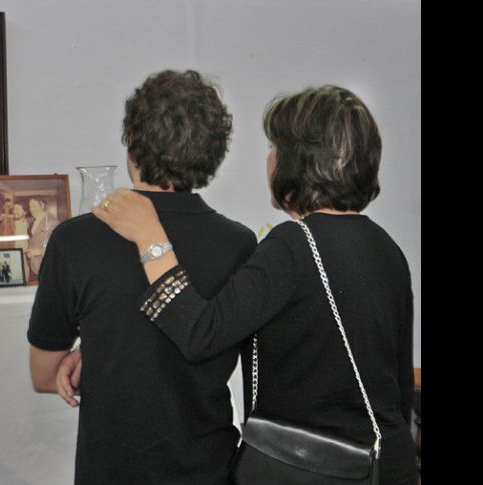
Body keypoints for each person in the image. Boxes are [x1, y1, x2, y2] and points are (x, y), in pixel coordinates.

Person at [83, 85, 418, 485]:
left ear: (298, 161)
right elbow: (395, 381)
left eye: (276, 147)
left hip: (309, 469)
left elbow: (200, 333)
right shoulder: (385, 247)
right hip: (386, 462)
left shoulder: (292, 246)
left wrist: (150, 238)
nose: (270, 159)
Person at [27, 70, 257, 484]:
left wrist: (97, 352)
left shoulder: (73, 242)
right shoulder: (240, 245)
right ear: (213, 153)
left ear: (132, 142)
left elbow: (45, 376)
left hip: (111, 470)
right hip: (209, 468)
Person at [24, 197, 61, 281]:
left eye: (34, 206)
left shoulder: (52, 222)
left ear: (42, 205)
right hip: (33, 265)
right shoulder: (33, 221)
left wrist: (39, 251)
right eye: (30, 207)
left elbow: (58, 245)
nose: (31, 209)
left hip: (46, 266)